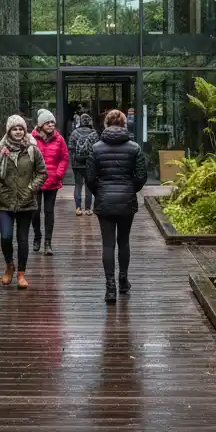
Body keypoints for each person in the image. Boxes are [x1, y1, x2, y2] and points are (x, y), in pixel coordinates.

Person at [85, 108, 148, 303]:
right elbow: (141, 177)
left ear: (105, 124)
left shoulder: (96, 148)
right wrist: (130, 189)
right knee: (124, 241)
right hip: (126, 201)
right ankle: (123, 281)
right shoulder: (135, 148)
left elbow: (90, 178)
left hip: (105, 200)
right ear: (124, 124)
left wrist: (100, 192)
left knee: (108, 244)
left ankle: (110, 288)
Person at [0, 114, 46, 289]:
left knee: (22, 239)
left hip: (26, 202)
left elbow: (42, 172)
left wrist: (30, 190)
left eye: (21, 129)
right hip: (5, 201)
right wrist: (0, 191)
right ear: (9, 131)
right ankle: (9, 266)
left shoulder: (32, 149)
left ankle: (21, 274)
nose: (18, 132)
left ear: (24, 131)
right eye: (14, 129)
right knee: (5, 237)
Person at [30, 108, 68, 255]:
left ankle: (48, 243)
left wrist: (58, 174)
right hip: (36, 180)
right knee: (35, 210)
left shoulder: (59, 139)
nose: (51, 125)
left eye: (53, 122)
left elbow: (64, 158)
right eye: (48, 122)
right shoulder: (32, 139)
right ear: (41, 125)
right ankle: (37, 236)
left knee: (49, 212)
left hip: (53, 181)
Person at [67, 112, 99, 216]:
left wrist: (75, 156)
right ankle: (88, 209)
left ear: (80, 121)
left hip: (77, 163)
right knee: (89, 186)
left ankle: (78, 208)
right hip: (90, 163)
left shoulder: (74, 133)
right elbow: (97, 148)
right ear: (89, 121)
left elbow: (70, 147)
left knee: (78, 185)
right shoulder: (94, 133)